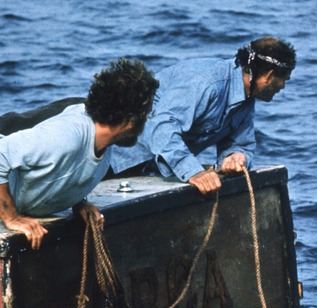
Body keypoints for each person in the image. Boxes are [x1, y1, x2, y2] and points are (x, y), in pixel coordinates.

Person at [0, 58, 159, 250]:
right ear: (129, 122)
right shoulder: (66, 135)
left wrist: (77, 202)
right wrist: (12, 218)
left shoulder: (105, 145)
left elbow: (68, 168)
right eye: (146, 114)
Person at [108, 36, 296, 195]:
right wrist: (193, 172)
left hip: (146, 173)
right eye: (283, 80)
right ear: (269, 75)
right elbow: (162, 125)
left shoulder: (246, 99)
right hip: (111, 156)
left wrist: (235, 157)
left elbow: (241, 144)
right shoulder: (208, 82)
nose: (283, 87)